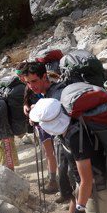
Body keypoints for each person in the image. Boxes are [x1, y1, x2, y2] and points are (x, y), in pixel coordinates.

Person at [21, 62, 63, 197]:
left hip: (63, 137)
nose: (31, 86)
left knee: (57, 156)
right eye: (28, 83)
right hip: (53, 132)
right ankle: (63, 188)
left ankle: (66, 191)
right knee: (52, 154)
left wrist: (36, 113)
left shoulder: (56, 93)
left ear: (44, 76)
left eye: (34, 81)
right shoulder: (45, 92)